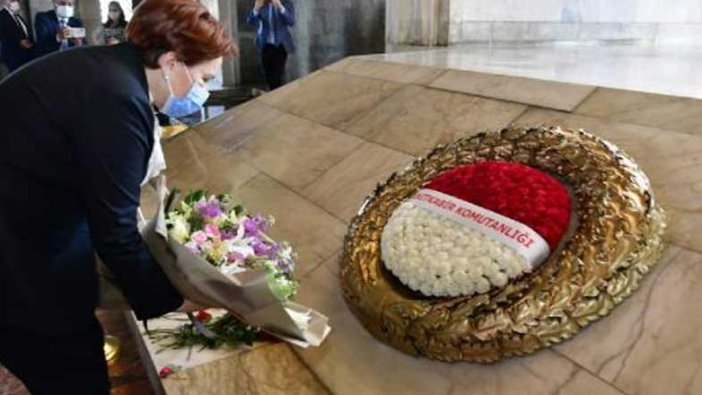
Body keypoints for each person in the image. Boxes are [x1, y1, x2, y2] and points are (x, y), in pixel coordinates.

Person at [0, 0, 235, 393]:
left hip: (26, 237)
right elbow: (115, 231)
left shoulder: (104, 68)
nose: (203, 92)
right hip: (19, 268)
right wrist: (172, 300)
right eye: (204, 78)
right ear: (173, 63)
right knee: (75, 376)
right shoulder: (119, 99)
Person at [247, 0, 295, 90]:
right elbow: (250, 21)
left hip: (281, 45)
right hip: (265, 45)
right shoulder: (261, 4)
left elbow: (291, 22)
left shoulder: (287, 3)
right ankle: (273, 95)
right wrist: (256, 9)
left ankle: (276, 97)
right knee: (268, 76)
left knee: (277, 76)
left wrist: (280, 7)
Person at [0, 0, 34, 72]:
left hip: (27, 56)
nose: (16, 2)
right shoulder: (2, 16)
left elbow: (25, 34)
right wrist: (19, 42)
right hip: (13, 58)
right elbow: (5, 35)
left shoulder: (18, 17)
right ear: (3, 1)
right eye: (12, 0)